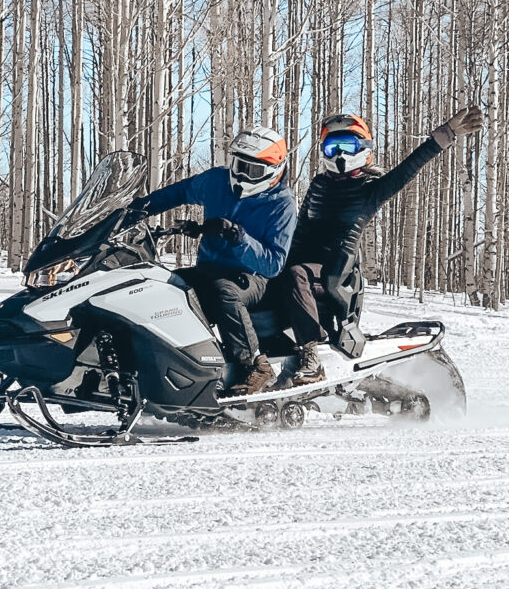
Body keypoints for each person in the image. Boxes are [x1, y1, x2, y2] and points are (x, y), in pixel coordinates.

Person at [279, 107, 484, 384]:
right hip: (305, 265)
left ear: (362, 148)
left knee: (296, 275)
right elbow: (300, 230)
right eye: (332, 147)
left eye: (347, 145)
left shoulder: (369, 188)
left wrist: (445, 135)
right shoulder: (318, 185)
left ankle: (312, 359)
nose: (339, 154)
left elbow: (407, 169)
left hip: (335, 271)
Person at [138, 127, 297, 396]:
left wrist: (238, 237)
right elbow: (180, 191)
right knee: (164, 286)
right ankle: (177, 363)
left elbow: (274, 264)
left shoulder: (281, 204)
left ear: (273, 170)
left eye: (254, 171)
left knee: (224, 291)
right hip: (208, 269)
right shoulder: (217, 182)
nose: (243, 175)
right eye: (239, 165)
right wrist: (138, 208)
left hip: (252, 278)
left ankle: (254, 364)